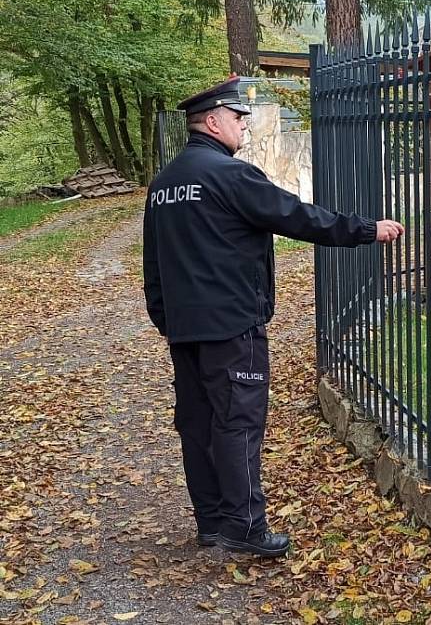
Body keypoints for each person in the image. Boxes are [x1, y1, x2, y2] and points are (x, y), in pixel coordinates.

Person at [143, 76, 403, 558]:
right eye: (238, 118)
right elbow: (297, 217)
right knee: (238, 422)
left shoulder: (163, 185)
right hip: (231, 325)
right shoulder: (229, 176)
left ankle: (214, 522)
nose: (243, 126)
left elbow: (153, 264)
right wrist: (366, 229)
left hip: (185, 328)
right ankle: (245, 528)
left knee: (198, 424)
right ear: (214, 121)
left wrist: (166, 319)